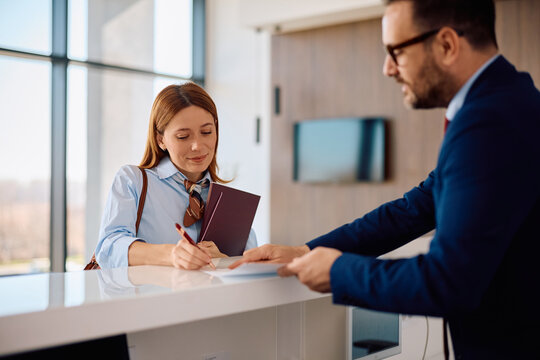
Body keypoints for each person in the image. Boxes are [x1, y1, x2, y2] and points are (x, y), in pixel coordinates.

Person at [231, 0, 540, 358]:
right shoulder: (509, 101)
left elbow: (449, 280)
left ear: (446, 44)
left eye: (396, 51)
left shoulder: (488, 121)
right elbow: (413, 210)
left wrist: (339, 272)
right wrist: (308, 251)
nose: (387, 68)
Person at [95, 82, 257, 269]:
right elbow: (108, 247)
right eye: (183, 136)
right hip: (151, 298)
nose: (197, 145)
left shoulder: (230, 203)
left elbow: (251, 267)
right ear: (160, 139)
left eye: (206, 132)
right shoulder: (133, 180)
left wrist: (224, 260)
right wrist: (170, 254)